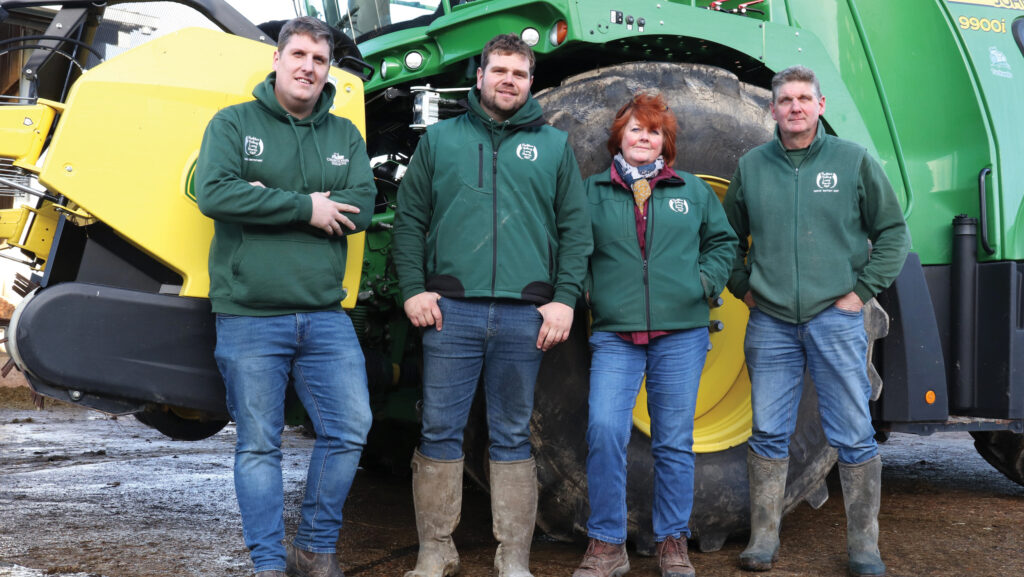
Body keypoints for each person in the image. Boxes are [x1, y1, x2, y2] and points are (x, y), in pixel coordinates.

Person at [392, 33, 592, 577]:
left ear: (531, 83)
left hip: (524, 316)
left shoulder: (553, 146)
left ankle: (514, 558)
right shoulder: (441, 140)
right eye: (499, 70)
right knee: (439, 430)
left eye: (519, 73)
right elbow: (409, 221)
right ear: (480, 76)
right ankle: (436, 551)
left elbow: (575, 231)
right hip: (450, 312)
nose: (509, 81)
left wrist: (564, 300)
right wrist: (412, 289)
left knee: (511, 434)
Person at [195, 16, 376, 577]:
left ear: (328, 70)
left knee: (350, 429)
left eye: (319, 60)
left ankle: (314, 549)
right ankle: (270, 564)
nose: (308, 68)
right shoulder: (233, 122)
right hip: (250, 313)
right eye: (298, 55)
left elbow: (363, 208)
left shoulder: (345, 135)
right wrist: (308, 206)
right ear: (276, 59)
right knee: (259, 446)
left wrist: (263, 198)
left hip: (324, 312)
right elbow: (214, 193)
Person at [722, 65, 910, 577]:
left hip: (835, 319)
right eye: (785, 100)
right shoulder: (753, 167)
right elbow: (725, 237)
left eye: (804, 99)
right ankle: (763, 539)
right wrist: (743, 287)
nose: (795, 107)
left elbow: (894, 233)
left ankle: (864, 547)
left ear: (821, 106)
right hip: (771, 324)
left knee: (853, 432)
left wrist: (860, 293)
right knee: (767, 432)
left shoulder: (852, 161)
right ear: (772, 108)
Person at [570, 93, 737, 577]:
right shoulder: (591, 192)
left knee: (673, 440)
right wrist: (591, 292)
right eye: (636, 129)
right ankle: (607, 543)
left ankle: (672, 540)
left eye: (654, 131)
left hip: (681, 333)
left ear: (666, 142)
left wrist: (703, 284)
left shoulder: (692, 191)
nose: (644, 138)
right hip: (616, 333)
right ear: (619, 137)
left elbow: (723, 242)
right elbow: (572, 248)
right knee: (605, 431)